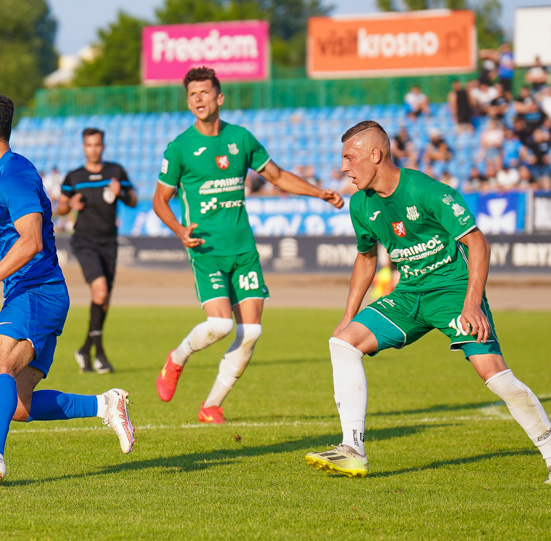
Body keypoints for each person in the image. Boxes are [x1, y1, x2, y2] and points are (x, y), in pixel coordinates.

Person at [305, 120, 551, 483]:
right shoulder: (361, 205)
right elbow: (366, 258)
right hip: (408, 296)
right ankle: (352, 450)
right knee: (342, 343)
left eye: (349, 157)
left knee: (495, 377)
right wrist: (348, 315)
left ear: (375, 154)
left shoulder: (425, 189)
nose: (343, 167)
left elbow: (478, 243)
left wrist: (472, 304)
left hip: (453, 292)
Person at [0, 91, 135, 485]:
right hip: (34, 293)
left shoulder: (14, 173)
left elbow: (32, 241)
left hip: (37, 290)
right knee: (19, 406)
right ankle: (106, 404)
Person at [152, 66, 344, 423]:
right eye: (192, 94)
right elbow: (160, 199)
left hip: (243, 249)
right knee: (222, 325)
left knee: (251, 331)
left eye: (204, 93)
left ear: (219, 97)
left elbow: (277, 175)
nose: (198, 99)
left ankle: (211, 406)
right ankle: (177, 358)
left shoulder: (241, 138)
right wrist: (180, 231)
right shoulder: (180, 147)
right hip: (206, 249)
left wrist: (318, 192)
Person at [56, 128, 137, 374]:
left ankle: (85, 350)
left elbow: (133, 199)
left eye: (98, 144)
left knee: (103, 301)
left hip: (109, 242)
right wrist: (70, 204)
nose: (94, 149)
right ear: (84, 147)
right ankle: (100, 354)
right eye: (89, 145)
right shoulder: (74, 177)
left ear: (103, 146)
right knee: (99, 290)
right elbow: (60, 207)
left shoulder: (115, 172)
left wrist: (119, 192)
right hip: (84, 241)